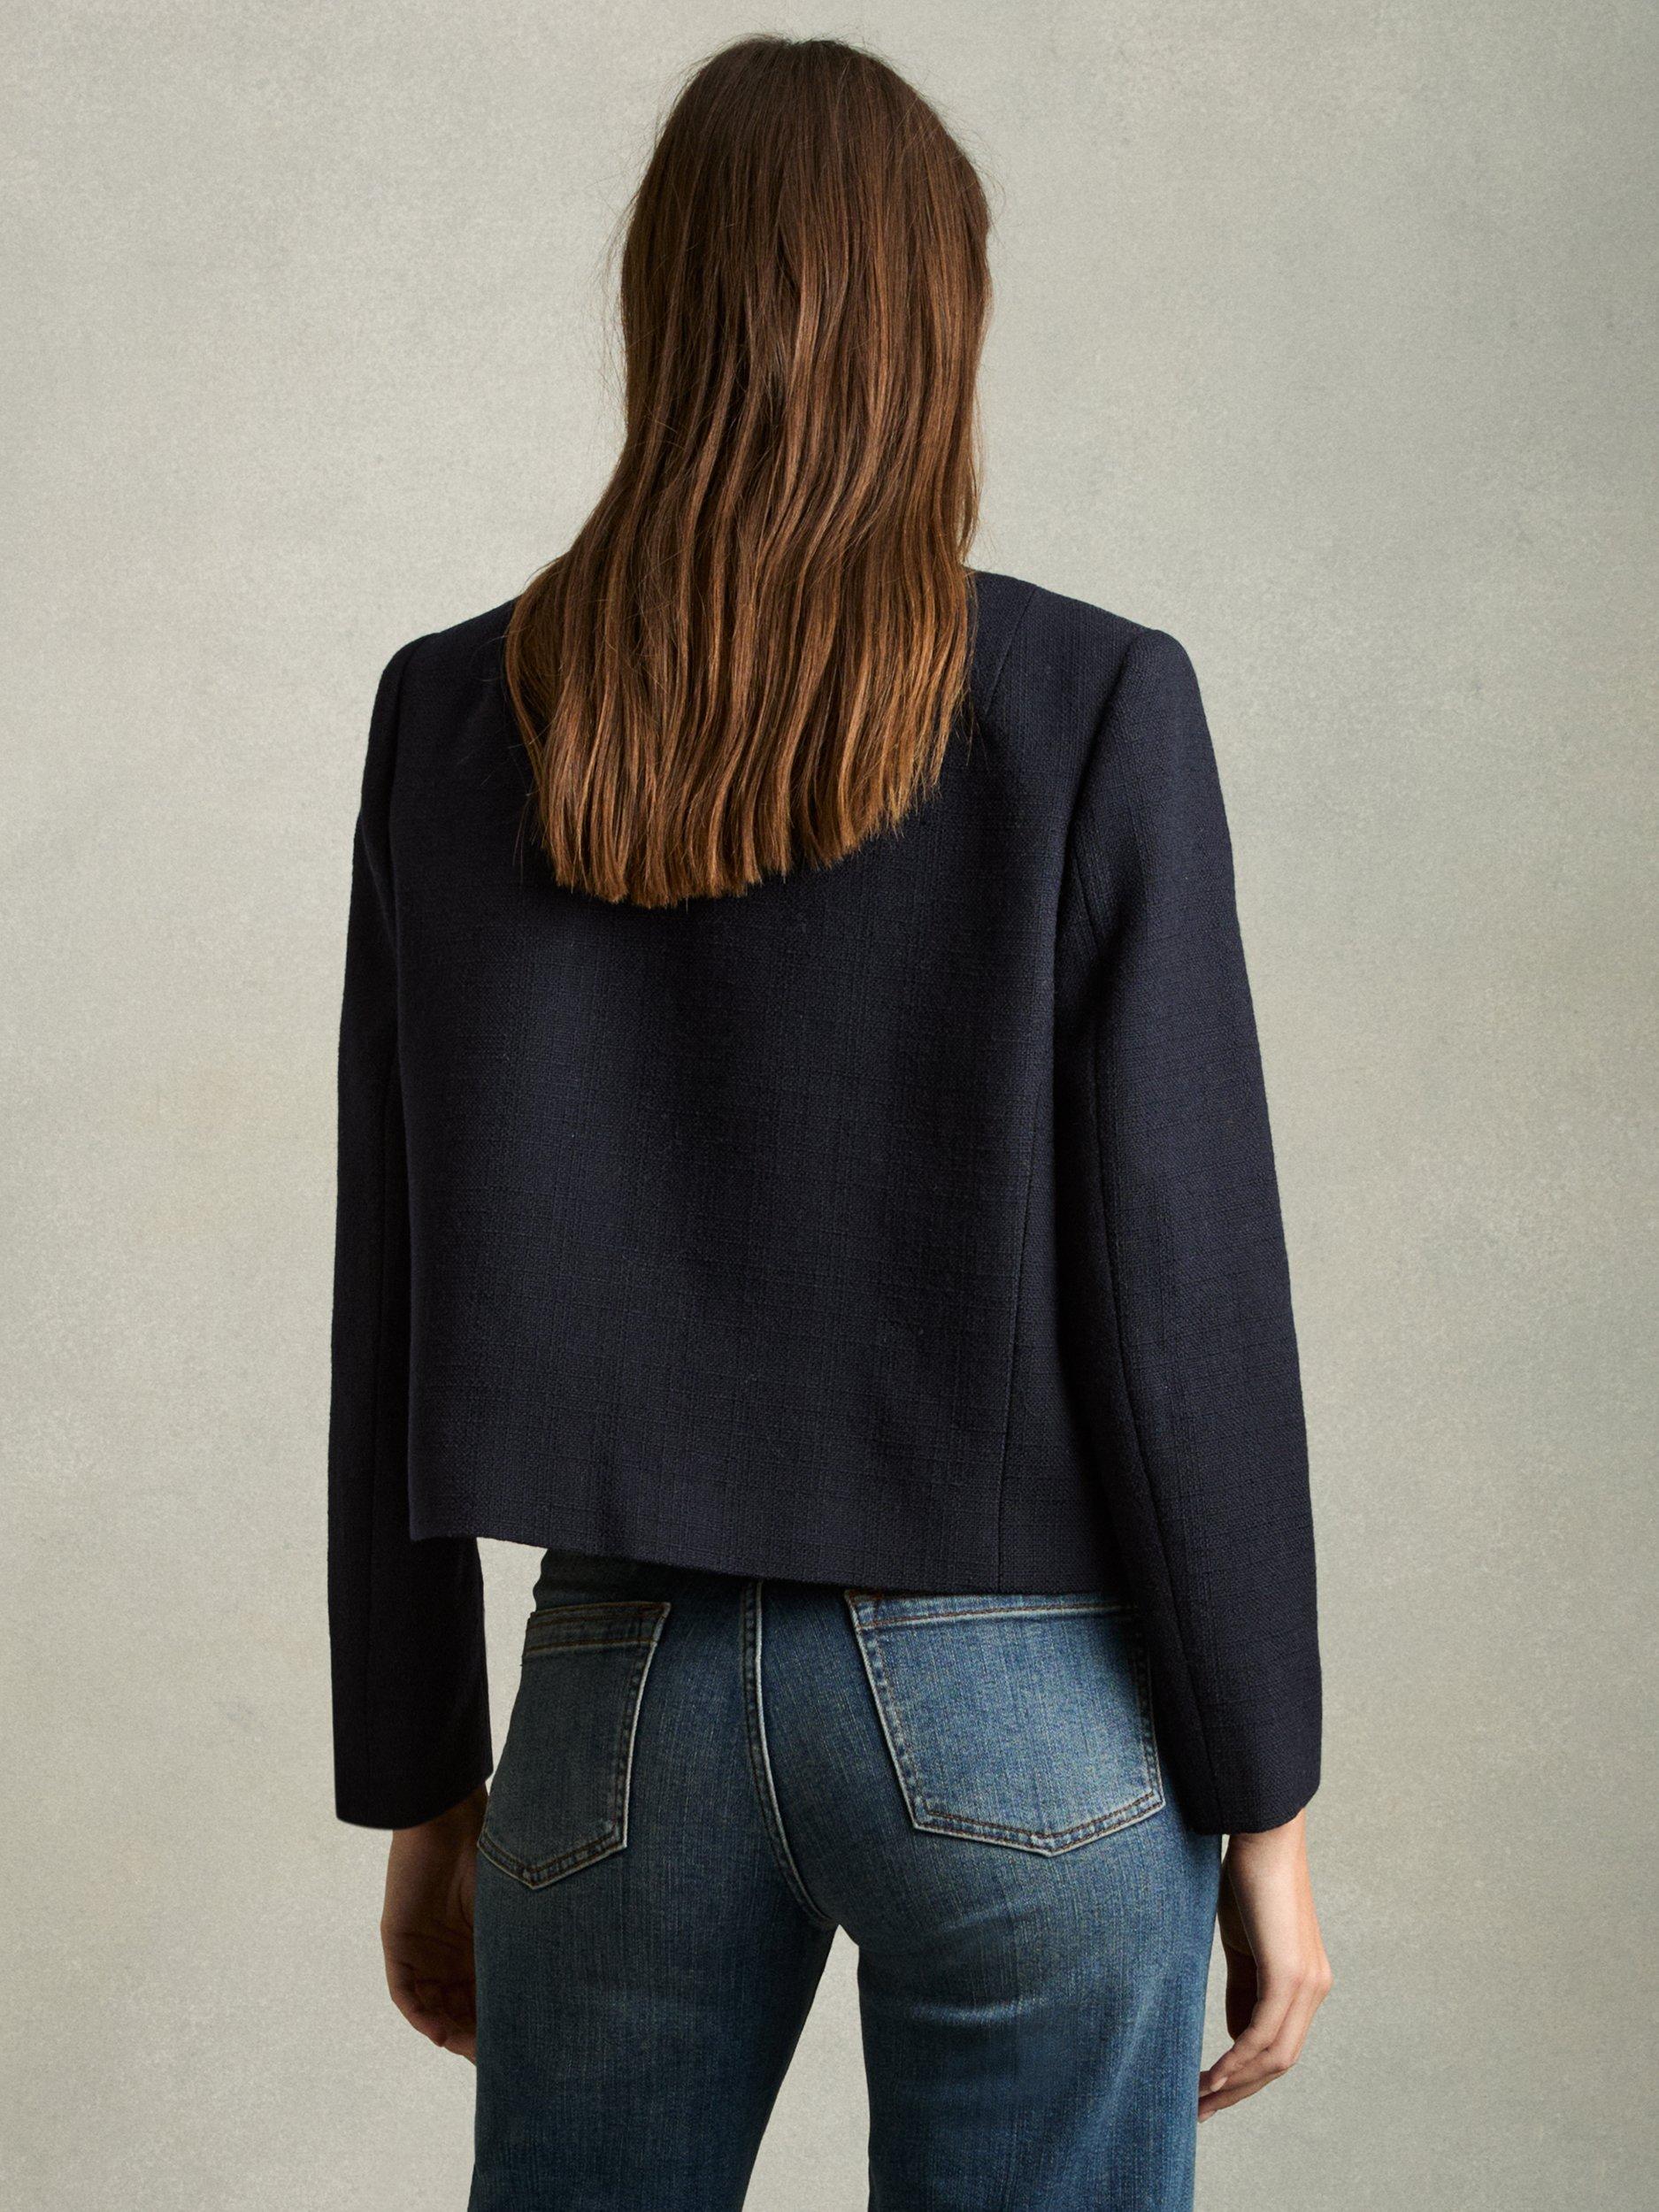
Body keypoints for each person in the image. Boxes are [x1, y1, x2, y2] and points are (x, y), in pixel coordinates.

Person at [326, 33, 1331, 2211]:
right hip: (1028, 1696)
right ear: (934, 324)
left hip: (617, 1696)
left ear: (661, 310)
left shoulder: (451, 713)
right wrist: (1265, 1795)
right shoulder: (1090, 703)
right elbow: (1182, 1292)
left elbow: (388, 1279)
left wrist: (423, 1778)